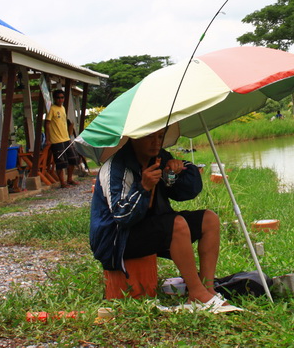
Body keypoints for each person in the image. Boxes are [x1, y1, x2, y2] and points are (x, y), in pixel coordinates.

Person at [89, 128, 226, 307]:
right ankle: (197, 293)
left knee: (209, 219)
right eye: (150, 137)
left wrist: (175, 173)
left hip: (149, 227)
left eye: (160, 137)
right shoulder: (116, 168)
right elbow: (122, 216)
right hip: (116, 241)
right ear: (135, 138)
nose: (156, 142)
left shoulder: (160, 158)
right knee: (176, 225)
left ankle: (208, 288)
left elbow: (188, 191)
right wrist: (143, 187)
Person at [44, 89, 79, 188]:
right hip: (56, 140)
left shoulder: (63, 108)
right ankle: (62, 182)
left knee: (73, 158)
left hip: (66, 138)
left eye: (62, 98)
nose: (60, 100)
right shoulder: (52, 109)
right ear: (55, 99)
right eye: (58, 98)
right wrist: (48, 138)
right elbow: (47, 123)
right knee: (61, 162)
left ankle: (70, 179)